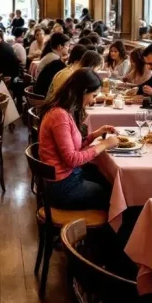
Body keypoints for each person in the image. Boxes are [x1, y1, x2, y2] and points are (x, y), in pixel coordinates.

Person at [38, 69, 117, 210]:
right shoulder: (59, 115)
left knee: (107, 179)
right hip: (62, 187)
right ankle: (100, 231)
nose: (93, 100)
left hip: (66, 177)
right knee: (113, 194)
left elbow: (74, 147)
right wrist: (104, 145)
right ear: (83, 91)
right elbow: (72, 159)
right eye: (93, 95)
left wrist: (96, 134)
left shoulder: (63, 110)